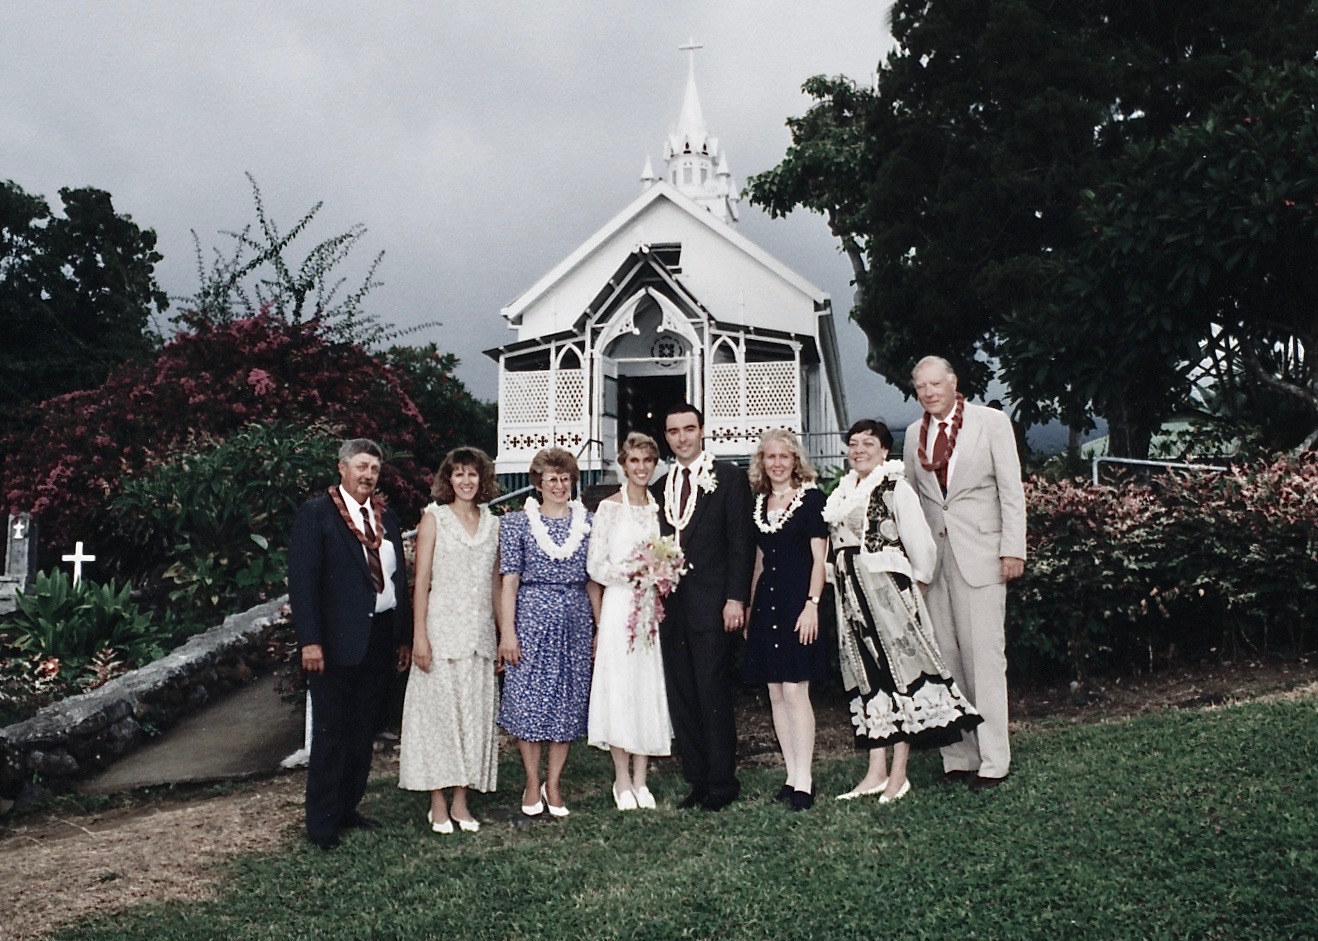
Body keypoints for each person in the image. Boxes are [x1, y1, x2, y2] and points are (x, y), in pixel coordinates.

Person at [825, 419, 982, 804]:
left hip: (887, 596)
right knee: (869, 680)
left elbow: (922, 547)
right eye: (853, 443)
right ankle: (875, 772)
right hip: (850, 597)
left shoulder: (895, 487)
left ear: (884, 450)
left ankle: (899, 774)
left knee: (902, 677)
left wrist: (912, 591)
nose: (858, 449)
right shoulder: (844, 492)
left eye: (868, 443)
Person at [904, 356, 1026, 790]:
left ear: (954, 383)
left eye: (936, 383)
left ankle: (994, 759)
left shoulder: (990, 422)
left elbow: (1011, 491)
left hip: (983, 556)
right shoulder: (913, 435)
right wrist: (915, 563)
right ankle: (958, 756)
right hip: (935, 564)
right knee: (946, 662)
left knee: (984, 660)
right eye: (921, 387)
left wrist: (1013, 549)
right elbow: (915, 505)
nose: (929, 392)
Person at [289, 438, 412, 851]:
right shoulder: (316, 515)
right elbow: (303, 584)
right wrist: (310, 642)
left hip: (378, 637)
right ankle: (322, 824)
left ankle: (348, 808)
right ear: (342, 468)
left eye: (375, 469)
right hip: (334, 643)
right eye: (361, 467)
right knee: (332, 733)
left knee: (362, 731)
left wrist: (402, 637)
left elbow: (397, 581)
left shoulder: (384, 516)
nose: (368, 476)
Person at [653, 403, 754, 811]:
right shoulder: (661, 487)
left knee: (712, 690)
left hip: (714, 605)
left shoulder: (728, 479)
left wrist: (736, 599)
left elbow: (741, 543)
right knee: (683, 694)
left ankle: (721, 783)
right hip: (671, 608)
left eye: (689, 429)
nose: (682, 438)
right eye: (674, 431)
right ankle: (696, 778)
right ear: (667, 436)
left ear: (702, 431)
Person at [398, 447, 502, 834]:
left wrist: (503, 633)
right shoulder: (434, 518)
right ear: (448, 479)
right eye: (458, 474)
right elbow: (421, 582)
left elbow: (495, 585)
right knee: (439, 721)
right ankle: (437, 803)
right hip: (440, 634)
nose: (466, 481)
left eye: (473, 474)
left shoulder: (494, 523)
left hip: (478, 637)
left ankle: (461, 802)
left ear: (482, 479)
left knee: (471, 721)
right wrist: (419, 636)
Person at [497, 447, 601, 818]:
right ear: (538, 483)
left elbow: (592, 583)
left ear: (573, 482)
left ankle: (553, 783)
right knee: (528, 700)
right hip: (531, 618)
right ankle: (530, 780)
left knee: (567, 703)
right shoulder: (516, 524)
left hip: (574, 620)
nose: (558, 485)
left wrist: (599, 629)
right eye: (551, 478)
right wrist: (507, 633)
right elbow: (509, 582)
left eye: (565, 478)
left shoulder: (588, 523)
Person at [742, 429, 829, 811]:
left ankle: (806, 780)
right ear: (762, 462)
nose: (776, 463)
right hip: (767, 604)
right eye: (769, 457)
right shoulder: (759, 504)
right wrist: (748, 608)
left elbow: (820, 560)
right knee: (776, 691)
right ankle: (791, 775)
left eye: (784, 456)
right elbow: (760, 560)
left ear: (795, 460)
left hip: (798, 604)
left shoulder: (811, 500)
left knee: (796, 690)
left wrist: (812, 604)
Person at [586, 432, 672, 811]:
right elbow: (595, 565)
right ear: (623, 464)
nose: (641, 468)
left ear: (655, 466)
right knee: (619, 688)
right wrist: (636, 575)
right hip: (621, 606)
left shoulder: (659, 509)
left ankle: (641, 779)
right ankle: (621, 780)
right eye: (634, 461)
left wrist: (660, 573)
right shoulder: (608, 509)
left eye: (647, 462)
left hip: (650, 610)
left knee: (645, 688)